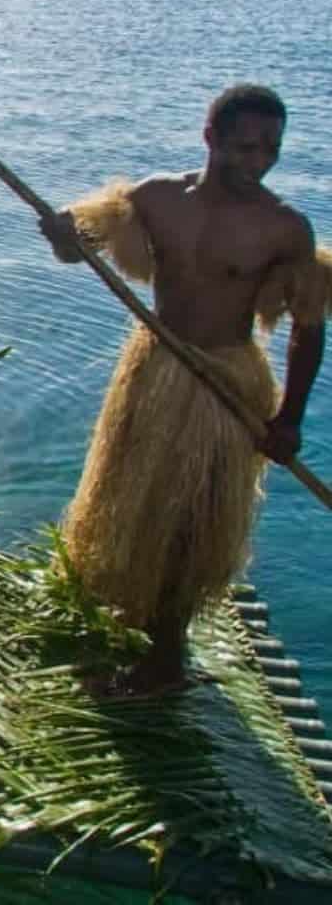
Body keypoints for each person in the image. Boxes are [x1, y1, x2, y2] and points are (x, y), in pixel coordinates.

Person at [41, 83, 328, 696]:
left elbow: (308, 329)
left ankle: (163, 667)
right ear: (211, 139)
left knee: (187, 522)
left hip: (225, 385)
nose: (259, 162)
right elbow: (78, 250)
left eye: (271, 149)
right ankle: (145, 636)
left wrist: (290, 419)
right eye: (245, 147)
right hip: (155, 369)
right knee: (135, 505)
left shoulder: (284, 229)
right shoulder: (154, 199)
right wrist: (63, 233)